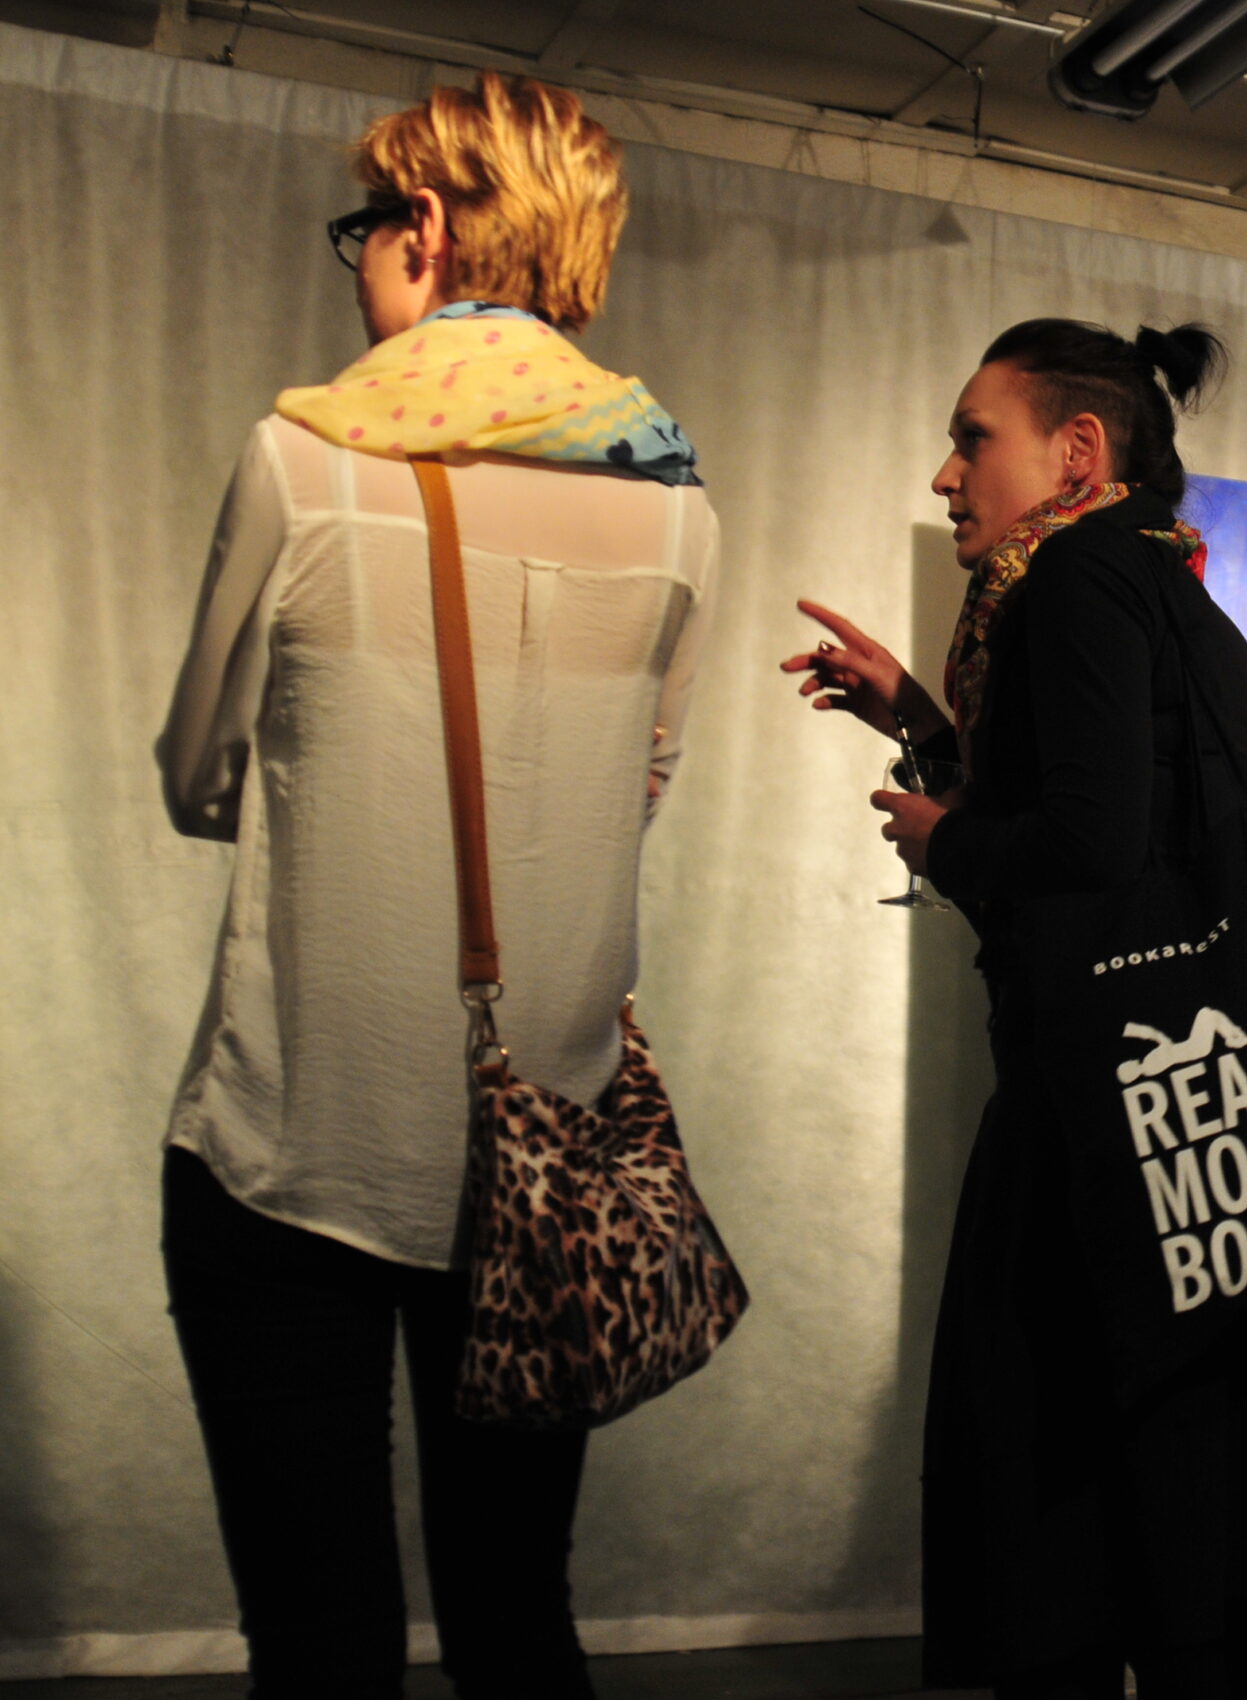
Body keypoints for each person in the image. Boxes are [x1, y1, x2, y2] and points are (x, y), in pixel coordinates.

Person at [155, 72, 715, 1699]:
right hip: (544, 1148)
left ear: (424, 227)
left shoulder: (303, 461)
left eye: (367, 230)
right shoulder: (677, 505)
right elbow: (642, 792)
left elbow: (197, 775)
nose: (360, 267)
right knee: (517, 1618)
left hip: (295, 1143)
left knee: (319, 1641)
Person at [782, 319, 1247, 1699]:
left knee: (1060, 1540)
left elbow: (1090, 844)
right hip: (1182, 1125)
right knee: (1172, 1551)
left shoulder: (1069, 584)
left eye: (973, 438)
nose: (946, 474)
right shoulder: (1159, 584)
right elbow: (1129, 810)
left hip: (1097, 1131)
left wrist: (948, 839)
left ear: (1077, 451)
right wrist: (926, 726)